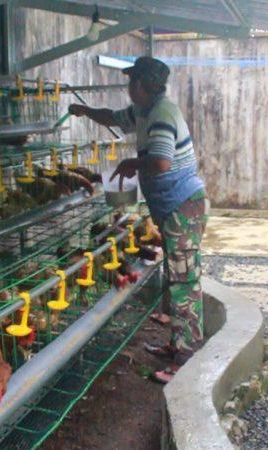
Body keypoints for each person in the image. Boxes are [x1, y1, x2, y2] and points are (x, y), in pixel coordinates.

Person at [68, 56, 208, 384]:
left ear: (143, 85)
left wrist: (131, 163)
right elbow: (114, 118)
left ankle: (185, 359)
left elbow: (160, 161)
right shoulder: (145, 110)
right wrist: (86, 111)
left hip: (182, 207)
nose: (129, 86)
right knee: (175, 278)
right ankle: (176, 345)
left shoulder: (161, 114)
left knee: (184, 282)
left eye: (132, 81)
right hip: (173, 207)